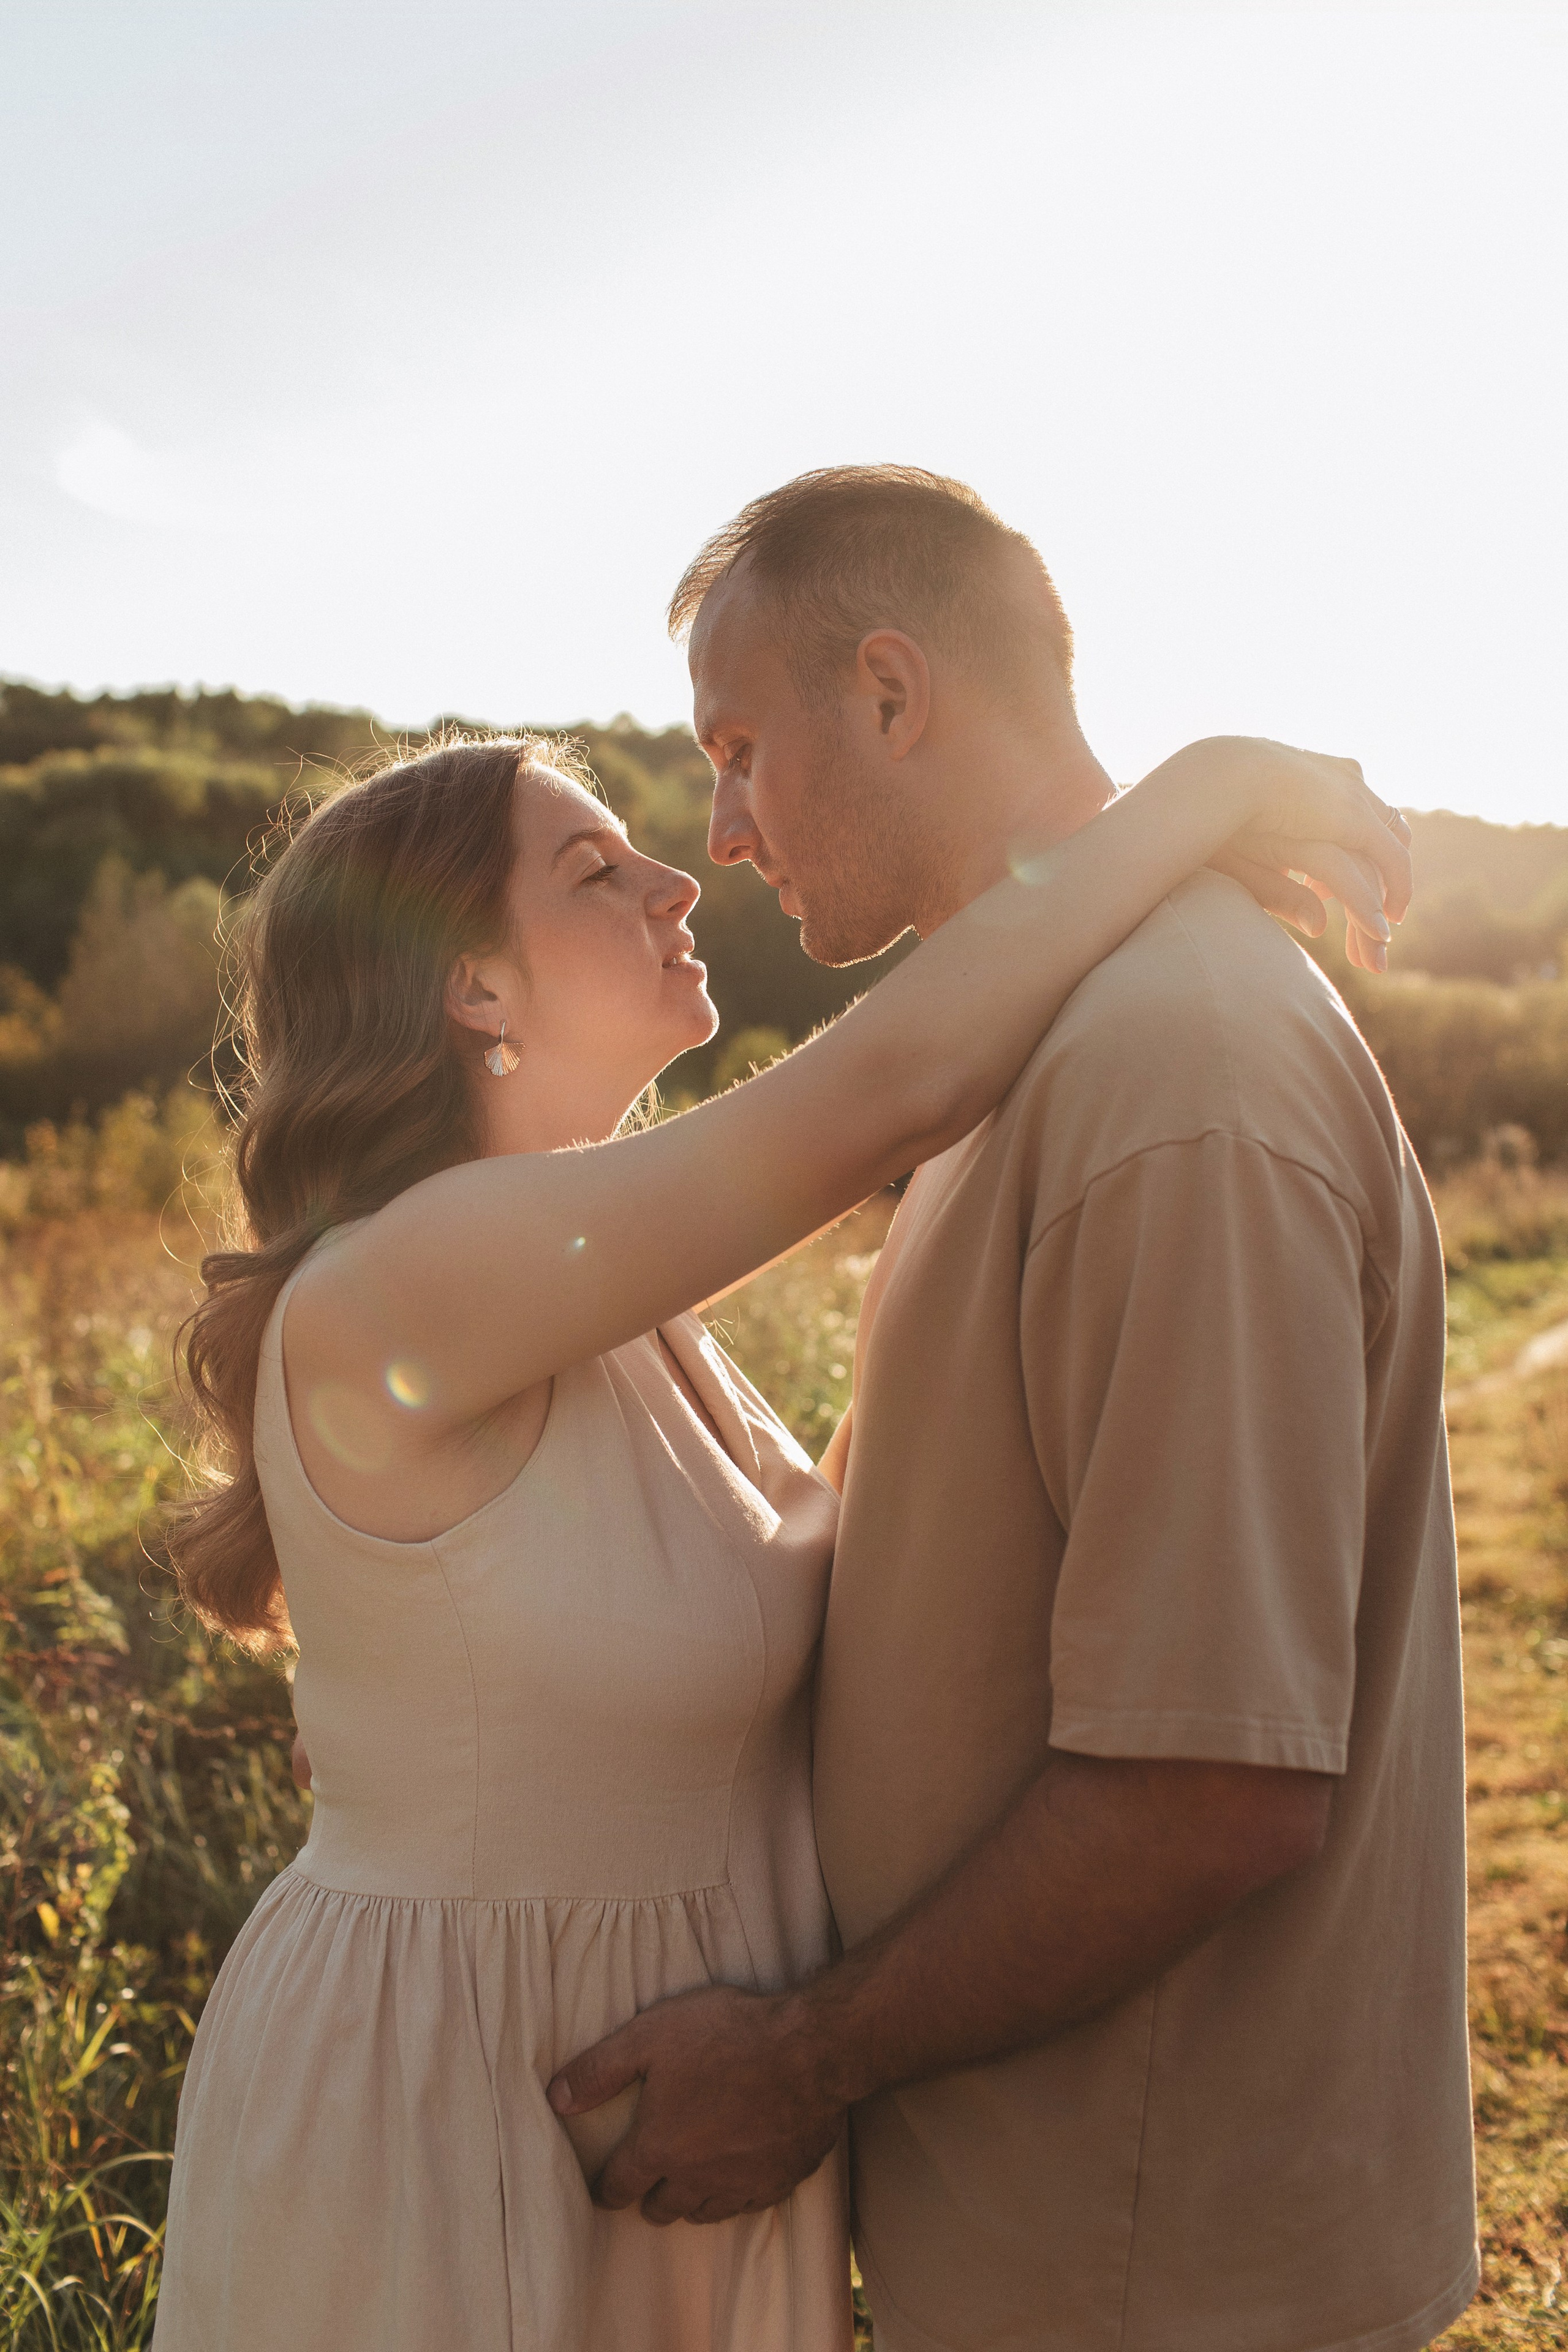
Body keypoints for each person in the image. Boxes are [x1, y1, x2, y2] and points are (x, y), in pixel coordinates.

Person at [151, 695, 1404, 2352]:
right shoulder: (405, 1278)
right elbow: (899, 1082)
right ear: (471, 986)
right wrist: (1208, 787)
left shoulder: (638, 1310)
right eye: (597, 869)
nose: (683, 876)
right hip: (464, 2102)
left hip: (667, 2117)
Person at [548, 468, 1478, 2352]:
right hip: (1072, 2231)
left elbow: (1207, 1783)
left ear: (891, 694)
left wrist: (804, 2059)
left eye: (741, 750)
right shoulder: (1042, 1050)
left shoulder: (1174, 1074)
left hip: (1167, 2265)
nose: (721, 833)